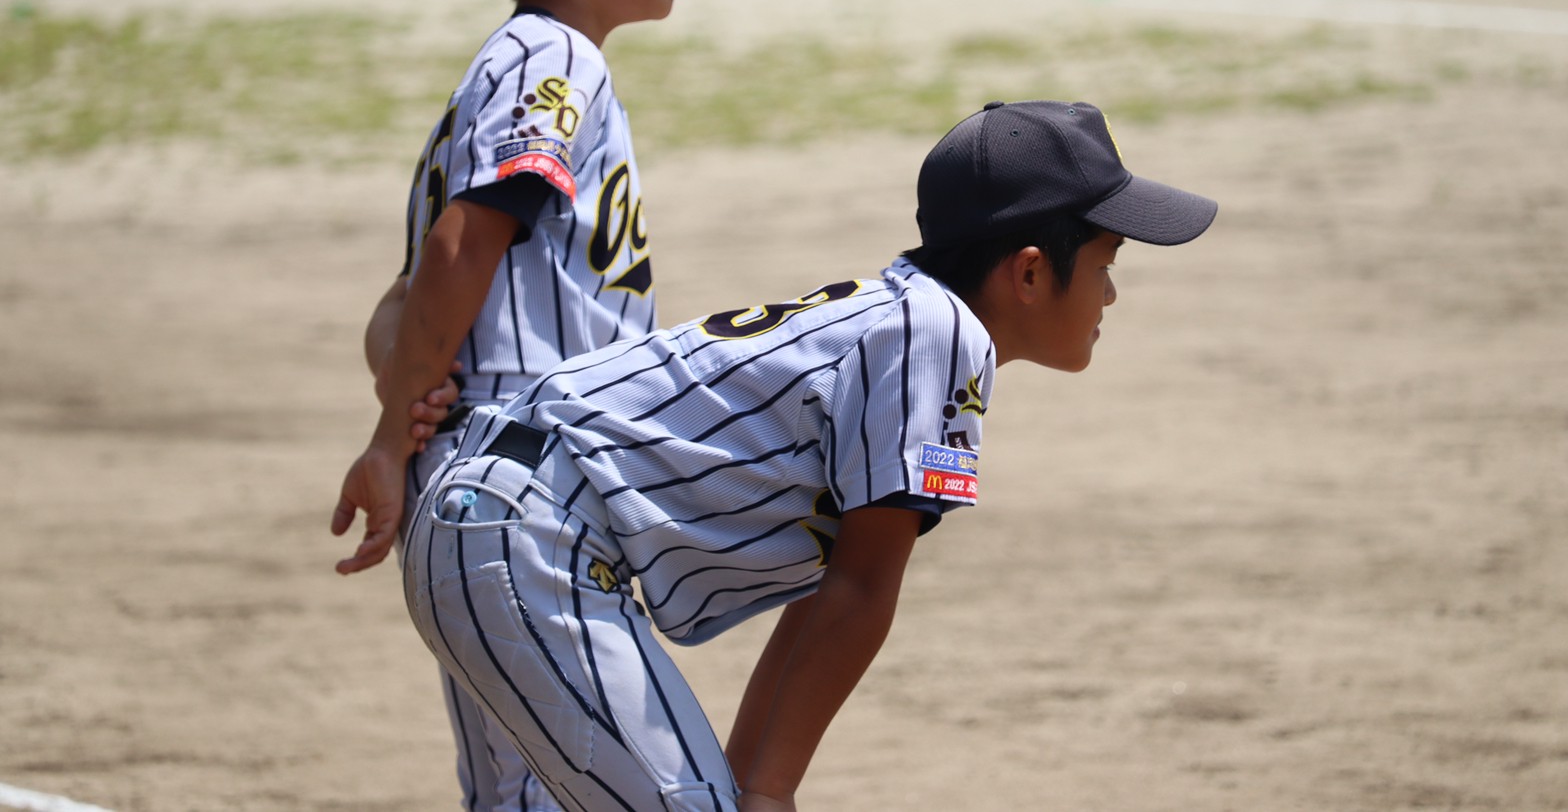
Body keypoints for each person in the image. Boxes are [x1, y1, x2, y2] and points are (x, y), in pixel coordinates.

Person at [397, 99, 1219, 811]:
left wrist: (754, 775)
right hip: (527, 537)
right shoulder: (941, 336)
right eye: (1106, 264)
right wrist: (769, 789)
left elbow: (827, 587)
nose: (1112, 293)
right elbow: (862, 588)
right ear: (1031, 273)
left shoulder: (906, 321)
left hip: (500, 521)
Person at [330, 0, 757, 812]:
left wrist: (406, 411)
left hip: (488, 502)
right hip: (526, 506)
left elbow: (398, 309)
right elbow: (457, 248)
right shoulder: (549, 58)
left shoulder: (501, 71)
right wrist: (393, 435)